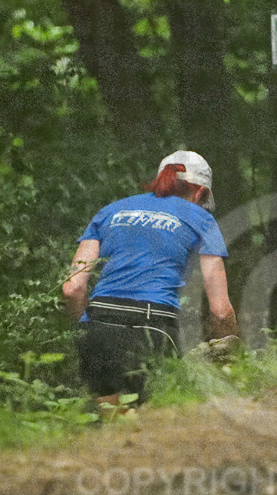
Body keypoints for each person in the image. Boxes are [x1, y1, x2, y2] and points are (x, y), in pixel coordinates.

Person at [62, 150, 239, 404]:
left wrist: (87, 327)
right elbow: (221, 311)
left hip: (99, 327)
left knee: (113, 425)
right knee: (154, 429)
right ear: (200, 193)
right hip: (154, 328)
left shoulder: (109, 212)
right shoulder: (203, 220)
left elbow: (72, 288)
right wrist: (234, 357)